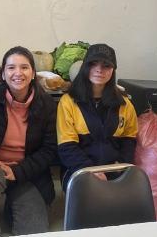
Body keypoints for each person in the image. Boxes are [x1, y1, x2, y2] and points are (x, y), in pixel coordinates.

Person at [0, 46, 57, 235]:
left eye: (24, 67)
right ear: (3, 74)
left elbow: (50, 150)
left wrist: (17, 171)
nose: (18, 73)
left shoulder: (47, 104)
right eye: (11, 67)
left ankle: (9, 207)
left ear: (33, 73)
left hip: (26, 172)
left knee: (34, 232)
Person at [57, 43, 139, 189]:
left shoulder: (125, 104)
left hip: (114, 170)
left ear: (113, 70)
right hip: (79, 171)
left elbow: (129, 140)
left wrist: (120, 165)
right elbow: (67, 147)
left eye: (106, 65)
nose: (99, 69)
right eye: (93, 63)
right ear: (85, 67)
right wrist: (90, 171)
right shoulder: (67, 102)